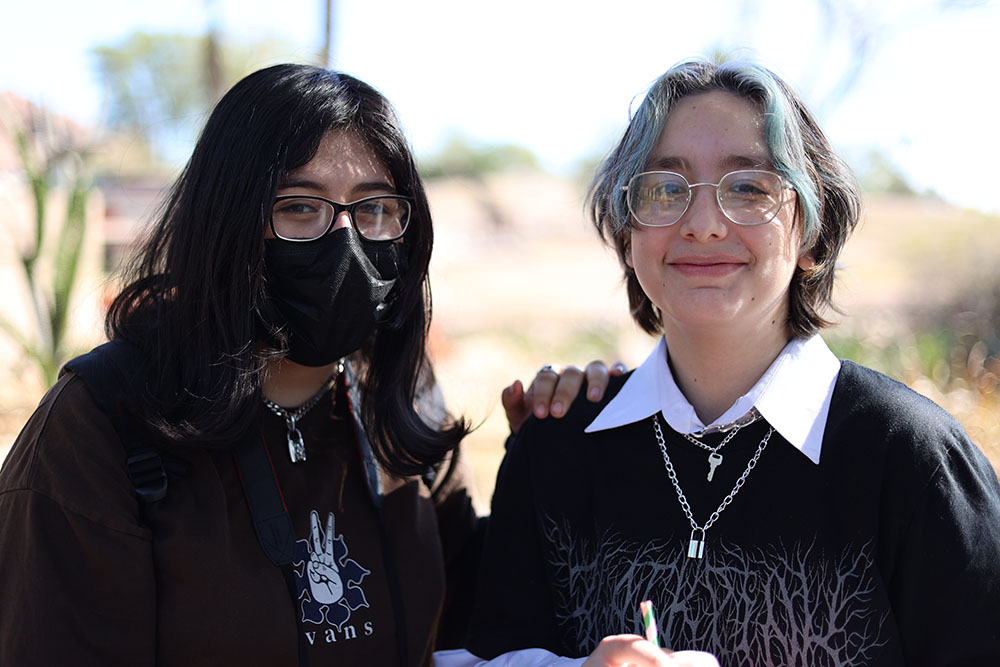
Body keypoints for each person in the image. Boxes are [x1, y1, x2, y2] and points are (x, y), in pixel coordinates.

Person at [0, 64, 602, 666]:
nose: (344, 241)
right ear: (226, 222)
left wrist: (548, 459)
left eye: (375, 208)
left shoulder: (401, 399)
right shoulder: (99, 425)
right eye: (297, 207)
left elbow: (473, 623)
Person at [452, 59, 1000, 666]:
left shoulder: (913, 458)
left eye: (749, 188)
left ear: (813, 236)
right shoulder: (554, 446)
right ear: (627, 233)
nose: (705, 224)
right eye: (665, 188)